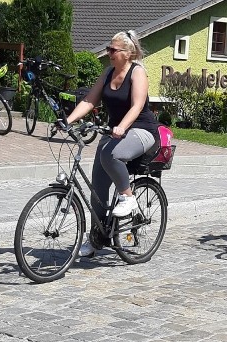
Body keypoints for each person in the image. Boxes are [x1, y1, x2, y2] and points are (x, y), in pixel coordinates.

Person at [63, 30, 160, 256]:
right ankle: (97, 239)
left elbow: (137, 106)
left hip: (141, 131)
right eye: (108, 49)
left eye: (113, 50)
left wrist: (123, 126)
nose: (109, 53)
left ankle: (128, 197)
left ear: (128, 53)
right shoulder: (108, 73)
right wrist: (67, 121)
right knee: (97, 188)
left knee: (112, 155)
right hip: (115, 132)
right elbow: (89, 99)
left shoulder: (138, 73)